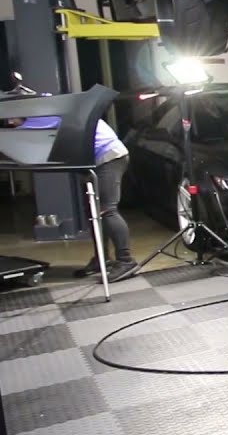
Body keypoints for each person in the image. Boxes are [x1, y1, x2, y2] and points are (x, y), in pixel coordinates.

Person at [3, 79, 138, 282]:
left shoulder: (39, 116)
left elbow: (21, 146)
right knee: (92, 212)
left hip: (108, 156)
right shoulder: (48, 105)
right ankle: (102, 259)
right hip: (91, 161)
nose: (10, 122)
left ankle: (126, 261)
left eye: (11, 117)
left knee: (106, 210)